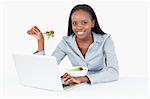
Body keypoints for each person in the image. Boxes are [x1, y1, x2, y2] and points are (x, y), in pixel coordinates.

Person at [27, 4, 119, 85]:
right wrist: (40, 41)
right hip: (75, 87)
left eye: (84, 23)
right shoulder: (66, 42)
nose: (79, 27)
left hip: (102, 85)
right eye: (75, 23)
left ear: (93, 23)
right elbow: (47, 68)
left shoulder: (105, 40)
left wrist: (83, 79)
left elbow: (113, 72)